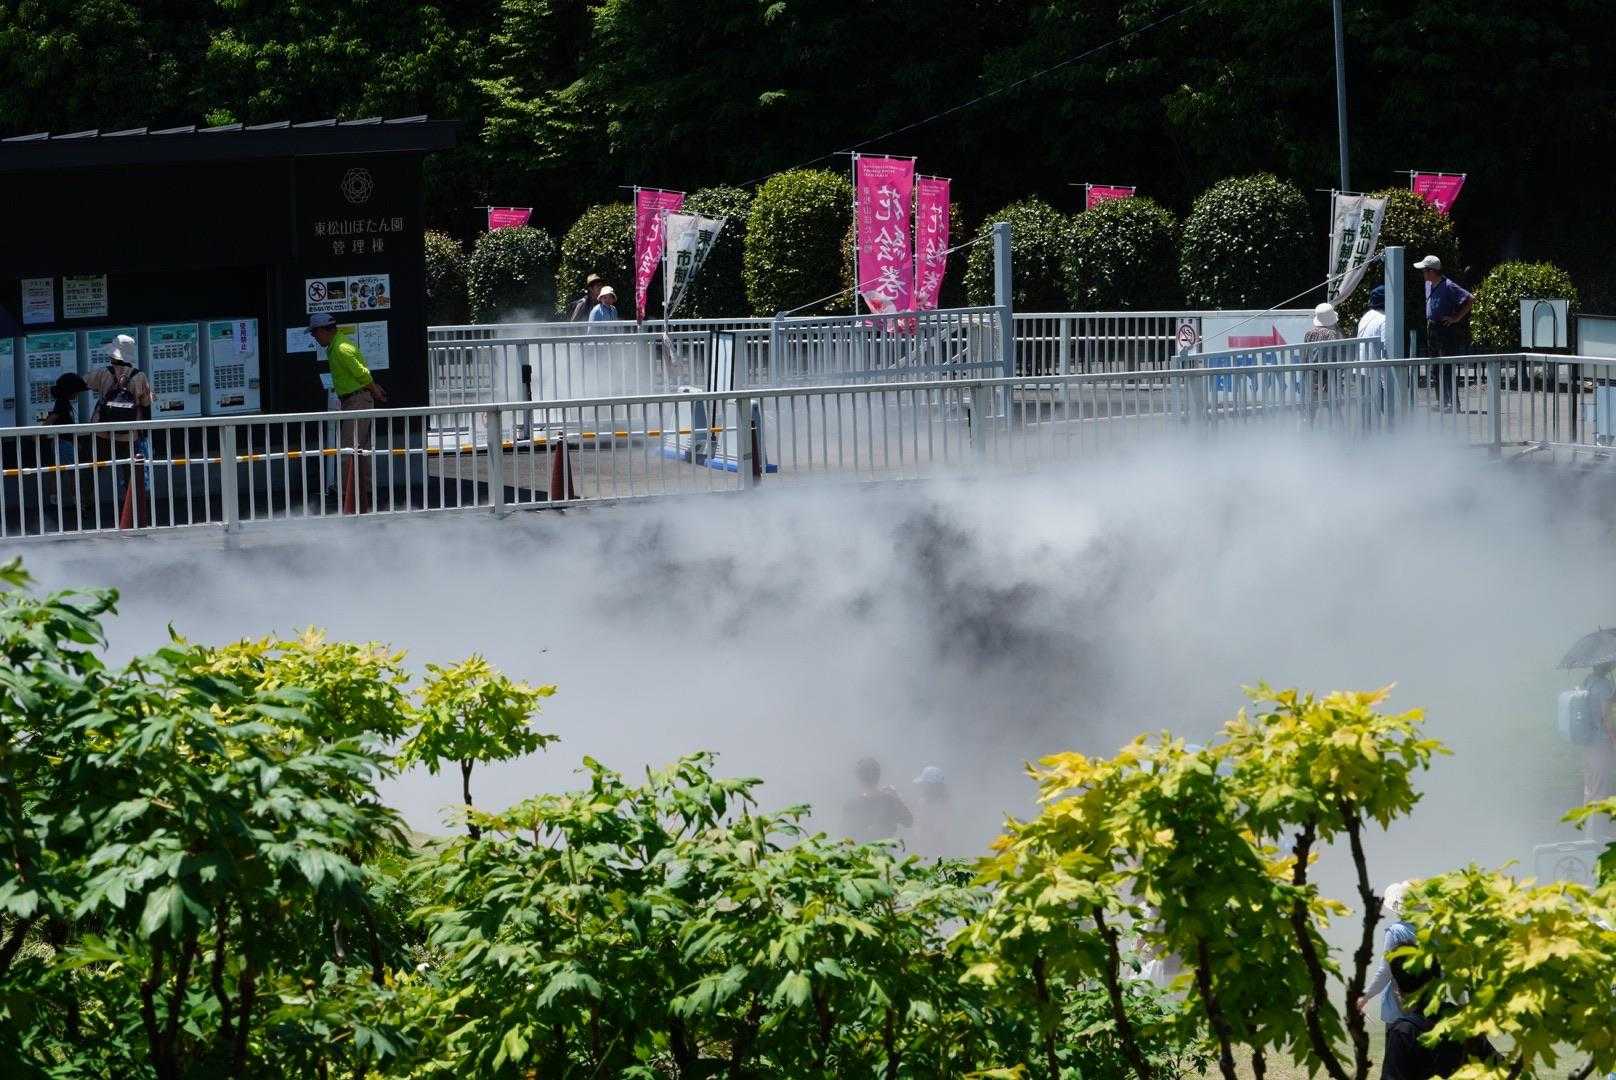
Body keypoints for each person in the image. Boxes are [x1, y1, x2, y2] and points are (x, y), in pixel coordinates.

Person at [311, 313, 388, 514]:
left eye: (314, 333)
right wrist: (373, 389)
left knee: (349, 449)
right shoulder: (338, 345)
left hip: (357, 401)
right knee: (359, 450)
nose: (314, 337)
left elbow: (362, 373)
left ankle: (347, 496)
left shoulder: (341, 348)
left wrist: (374, 389)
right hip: (354, 400)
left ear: (323, 330)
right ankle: (363, 494)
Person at [83, 335, 153, 529]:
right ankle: (133, 511)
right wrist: (144, 430)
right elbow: (146, 404)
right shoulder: (139, 376)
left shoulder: (103, 373)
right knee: (131, 472)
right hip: (129, 434)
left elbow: (82, 382)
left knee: (91, 469)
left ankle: (85, 505)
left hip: (102, 431)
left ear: (113, 354)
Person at [1415, 255, 1472, 409]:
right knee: (1435, 367)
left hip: (1444, 329)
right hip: (1432, 328)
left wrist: (1456, 318)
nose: (1423, 273)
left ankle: (1453, 403)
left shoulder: (1448, 285)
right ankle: (1442, 401)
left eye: (1424, 270)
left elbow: (1469, 299)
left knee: (1447, 367)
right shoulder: (1428, 284)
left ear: (1432, 271)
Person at [841, 757, 913, 844]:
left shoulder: (851, 804)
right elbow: (908, 822)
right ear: (878, 776)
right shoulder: (890, 801)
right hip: (885, 851)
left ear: (858, 777)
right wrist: (896, 798)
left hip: (860, 851)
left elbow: (845, 835)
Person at [1581, 662, 1616, 826]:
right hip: (1601, 743)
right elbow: (1606, 718)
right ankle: (1598, 832)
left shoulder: (1588, 681)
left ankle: (1588, 831)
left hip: (1588, 742)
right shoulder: (1604, 686)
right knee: (1601, 789)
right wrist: (1613, 739)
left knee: (1590, 788)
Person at [909, 765, 951, 857]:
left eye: (924, 784)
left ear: (933, 786)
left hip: (931, 853)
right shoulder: (924, 801)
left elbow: (938, 833)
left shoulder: (941, 807)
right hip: (922, 851)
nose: (922, 787)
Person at [1357, 284, 1388, 352]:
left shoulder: (1364, 317)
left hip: (1362, 359)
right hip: (1377, 359)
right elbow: (1386, 349)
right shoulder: (1385, 319)